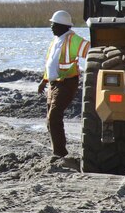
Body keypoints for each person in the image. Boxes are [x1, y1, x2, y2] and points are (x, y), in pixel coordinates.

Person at [37, 10, 89, 159]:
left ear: (62, 26)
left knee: (54, 116)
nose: (51, 27)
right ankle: (58, 151)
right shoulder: (56, 40)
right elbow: (51, 64)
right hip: (54, 84)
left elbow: (91, 50)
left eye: (53, 24)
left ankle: (60, 153)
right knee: (50, 119)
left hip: (66, 83)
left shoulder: (73, 39)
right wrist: (44, 80)